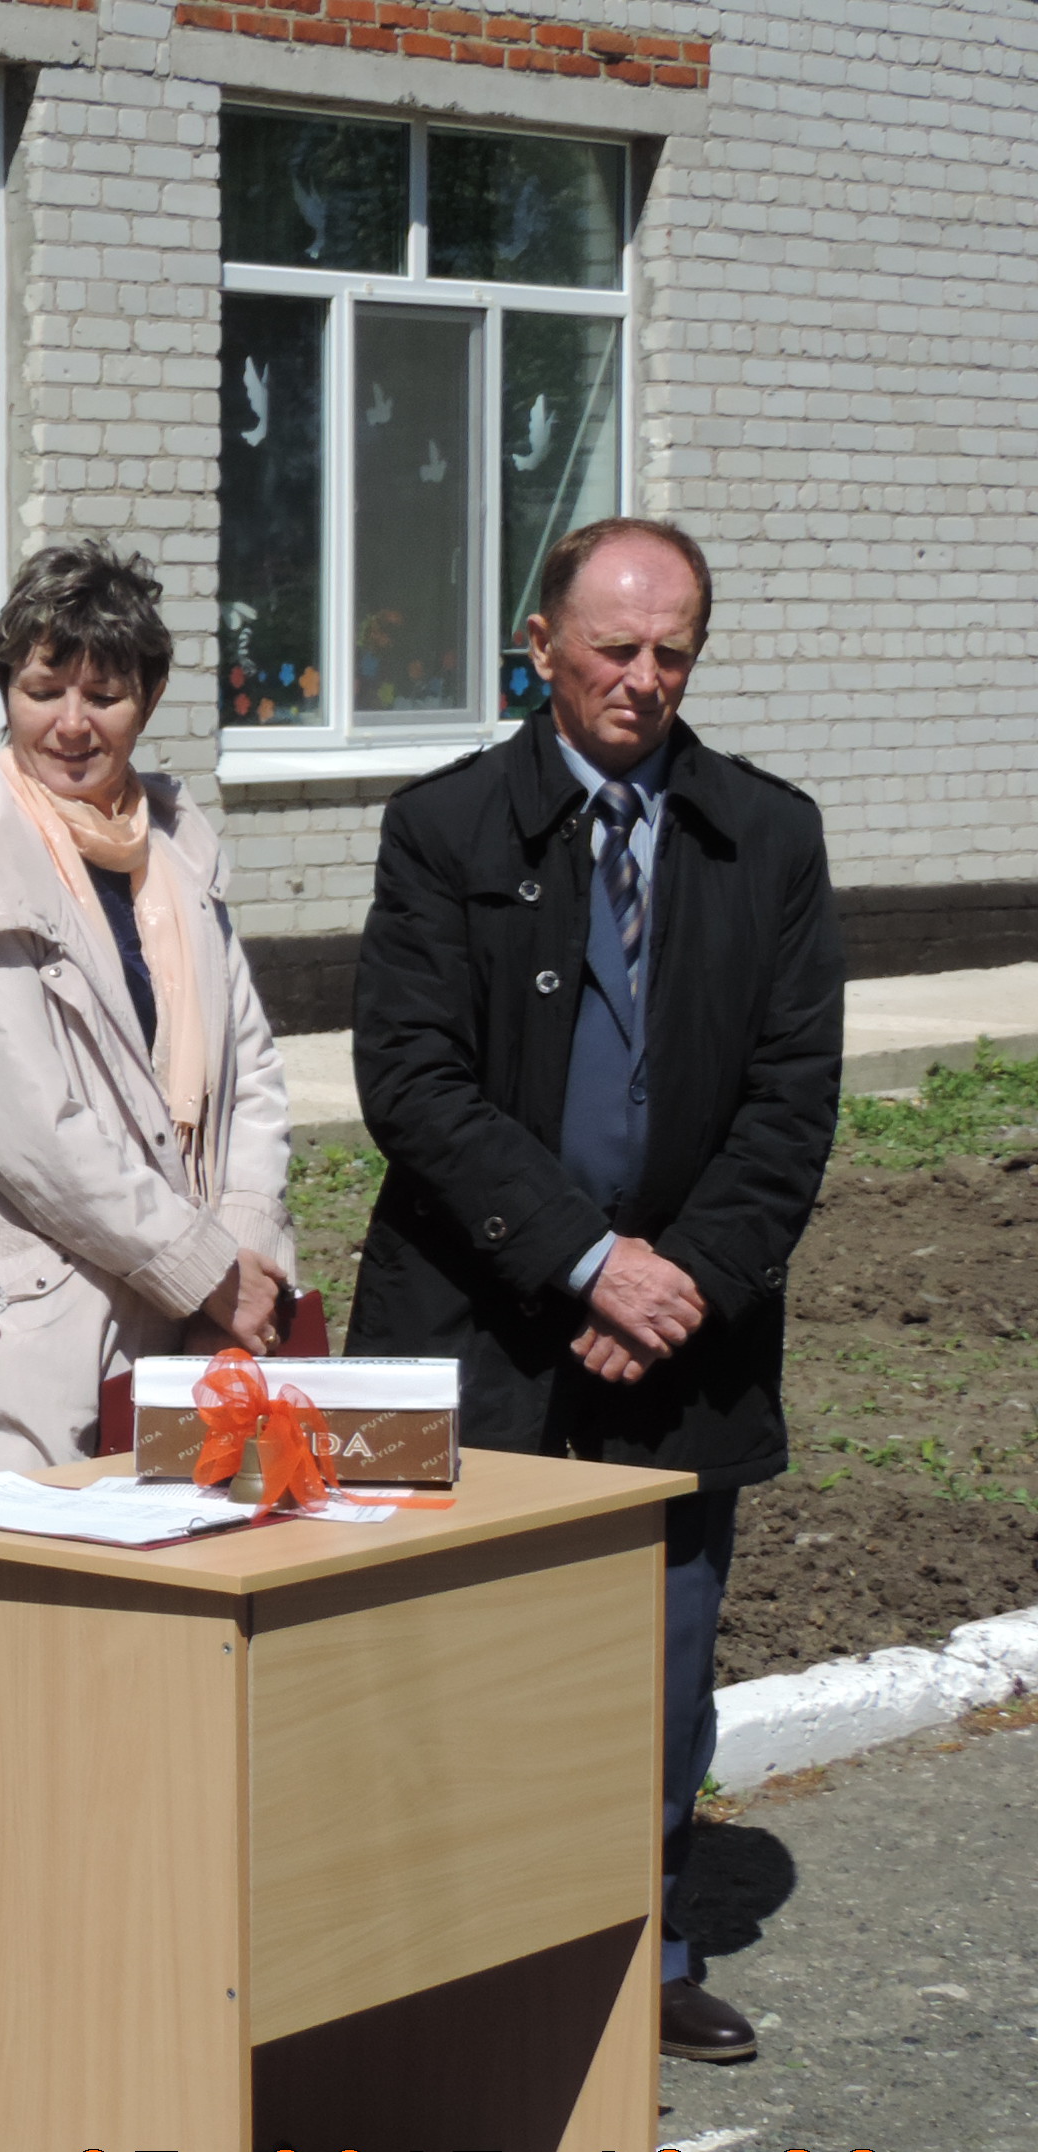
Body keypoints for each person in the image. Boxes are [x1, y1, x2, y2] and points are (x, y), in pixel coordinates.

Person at [349, 514, 844, 2065]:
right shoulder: (446, 827)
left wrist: (678, 1281)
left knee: (662, 1658)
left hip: (681, 1336)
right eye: (615, 647)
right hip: (479, 1315)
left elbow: (793, 1095)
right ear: (542, 644)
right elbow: (411, 1078)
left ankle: (648, 1948)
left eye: (672, 652)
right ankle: (439, 1965)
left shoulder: (767, 837)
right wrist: (585, 1259)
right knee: (451, 1653)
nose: (643, 678)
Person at [0, 541, 296, 1477]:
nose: (71, 725)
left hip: (206, 1328)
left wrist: (240, 1258)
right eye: (43, 691)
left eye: (103, 696)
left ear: (147, 700)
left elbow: (251, 1071)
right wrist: (205, 1269)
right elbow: (30, 1124)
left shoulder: (179, 837)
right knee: (42, 1569)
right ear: (6, 690)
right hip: (47, 1320)